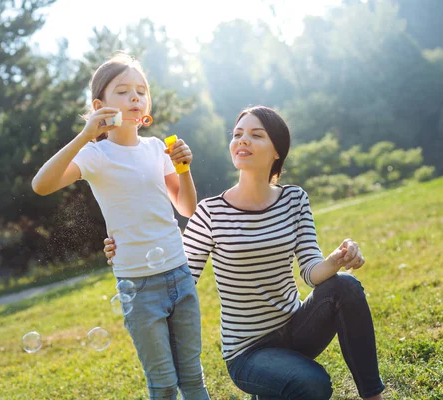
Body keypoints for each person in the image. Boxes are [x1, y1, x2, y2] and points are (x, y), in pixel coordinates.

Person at [105, 105, 385, 399]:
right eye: (237, 134)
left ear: (277, 151)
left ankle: (373, 396)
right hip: (248, 352)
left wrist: (334, 261)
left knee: (346, 286)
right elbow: (182, 276)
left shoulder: (294, 199)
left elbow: (311, 271)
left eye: (256, 135)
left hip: (296, 327)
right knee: (312, 384)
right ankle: (271, 381)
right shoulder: (211, 212)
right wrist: (130, 250)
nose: (242, 140)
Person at [32, 52, 209, 400]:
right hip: (138, 286)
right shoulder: (96, 155)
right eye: (124, 91)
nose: (135, 97)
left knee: (193, 379)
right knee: (162, 385)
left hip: (179, 273)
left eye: (141, 91)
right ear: (100, 104)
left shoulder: (158, 149)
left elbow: (186, 207)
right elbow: (41, 184)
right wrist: (85, 134)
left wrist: (184, 168)